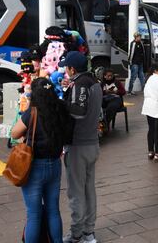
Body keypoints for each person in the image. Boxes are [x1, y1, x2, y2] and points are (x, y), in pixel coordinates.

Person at [11, 77, 72, 243]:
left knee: (34, 214)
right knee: (53, 210)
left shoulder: (32, 112)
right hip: (55, 165)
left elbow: (15, 133)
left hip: (34, 168)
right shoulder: (60, 108)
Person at [59, 51, 102, 243]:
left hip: (78, 146)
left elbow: (78, 111)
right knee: (89, 189)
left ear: (72, 69)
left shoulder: (79, 84)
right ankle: (89, 233)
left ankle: (76, 234)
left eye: (66, 68)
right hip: (93, 143)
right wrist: (70, 90)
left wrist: (60, 103)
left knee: (76, 192)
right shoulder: (94, 82)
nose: (66, 71)